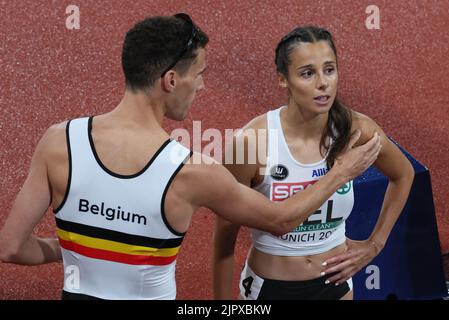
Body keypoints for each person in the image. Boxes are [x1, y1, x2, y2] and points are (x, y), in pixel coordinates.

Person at [0, 16, 381, 300]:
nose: (201, 85)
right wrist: (342, 172)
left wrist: (80, 248)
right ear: (170, 81)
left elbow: (12, 248)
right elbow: (281, 221)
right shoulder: (192, 171)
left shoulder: (58, 142)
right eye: (199, 74)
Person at [213, 25, 414, 300]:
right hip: (271, 288)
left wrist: (375, 245)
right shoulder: (249, 143)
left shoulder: (356, 131)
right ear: (283, 79)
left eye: (329, 70)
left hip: (336, 286)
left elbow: (403, 174)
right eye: (308, 73)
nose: (323, 83)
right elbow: (224, 241)